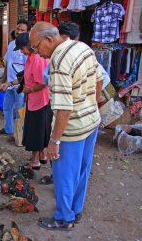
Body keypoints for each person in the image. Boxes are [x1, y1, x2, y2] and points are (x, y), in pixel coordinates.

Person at [30, 22, 103, 230]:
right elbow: (99, 81)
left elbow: (63, 109)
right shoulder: (83, 47)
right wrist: (90, 106)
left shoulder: (59, 62)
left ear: (49, 40)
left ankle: (64, 218)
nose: (37, 52)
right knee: (82, 170)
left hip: (71, 130)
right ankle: (75, 211)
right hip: (91, 123)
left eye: (37, 47)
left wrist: (54, 140)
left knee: (63, 176)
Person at [17, 33, 51, 169]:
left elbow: (43, 82)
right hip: (35, 100)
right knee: (41, 128)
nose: (21, 51)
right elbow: (26, 77)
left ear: (28, 45)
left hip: (39, 100)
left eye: (22, 48)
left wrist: (29, 90)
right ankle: (42, 155)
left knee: (36, 131)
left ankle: (35, 160)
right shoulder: (31, 57)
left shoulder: (37, 58)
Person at [0, 20, 29, 136]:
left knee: (19, 111)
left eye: (22, 30)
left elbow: (28, 71)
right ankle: (8, 129)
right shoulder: (11, 44)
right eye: (18, 29)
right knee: (7, 108)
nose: (19, 32)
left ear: (27, 32)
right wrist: (3, 79)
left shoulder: (28, 48)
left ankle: (19, 135)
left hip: (20, 85)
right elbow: (8, 64)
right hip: (9, 83)